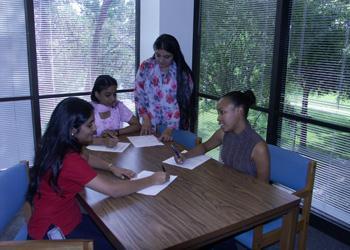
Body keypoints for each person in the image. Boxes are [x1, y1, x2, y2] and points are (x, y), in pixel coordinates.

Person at [26, 97, 168, 249]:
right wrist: (152, 179)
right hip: (53, 232)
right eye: (90, 124)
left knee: (117, 235)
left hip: (66, 216)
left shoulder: (56, 143)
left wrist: (112, 167)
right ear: (73, 130)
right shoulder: (69, 160)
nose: (95, 128)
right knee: (124, 242)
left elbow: (86, 157)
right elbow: (113, 190)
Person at [175, 90, 270, 183]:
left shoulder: (258, 147)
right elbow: (204, 146)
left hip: (245, 195)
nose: (218, 118)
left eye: (222, 112)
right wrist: (185, 155)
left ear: (240, 111)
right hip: (224, 186)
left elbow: (263, 187)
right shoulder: (223, 133)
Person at [134, 34, 194, 142]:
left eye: (167, 56)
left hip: (175, 127)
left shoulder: (182, 74)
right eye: (158, 55)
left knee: (172, 155)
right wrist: (145, 118)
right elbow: (139, 95)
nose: (161, 60)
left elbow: (183, 104)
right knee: (150, 156)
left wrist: (169, 129)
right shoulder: (146, 66)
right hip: (150, 124)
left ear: (174, 55)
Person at [91, 75, 141, 147]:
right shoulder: (88, 109)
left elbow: (137, 125)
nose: (113, 98)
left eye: (114, 94)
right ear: (97, 94)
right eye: (108, 95)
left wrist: (116, 132)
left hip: (116, 149)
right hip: (92, 152)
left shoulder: (118, 106)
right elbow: (80, 138)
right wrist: (102, 140)